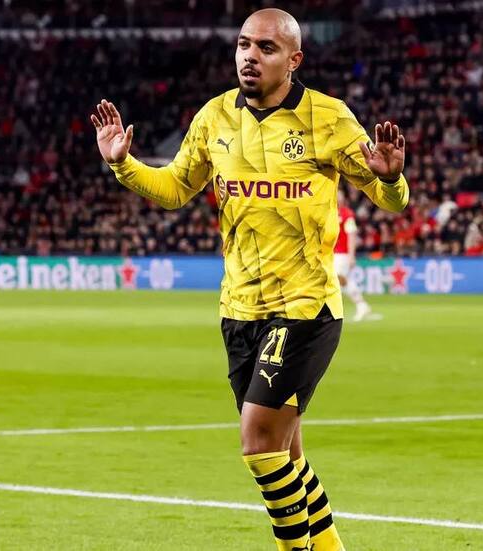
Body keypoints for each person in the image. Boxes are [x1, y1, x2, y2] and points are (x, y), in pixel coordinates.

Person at [90, 8, 408, 550]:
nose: (249, 56)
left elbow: (391, 202)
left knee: (258, 444)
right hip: (239, 310)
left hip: (304, 307)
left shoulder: (328, 119)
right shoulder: (214, 117)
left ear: (294, 59)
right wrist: (124, 164)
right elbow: (173, 189)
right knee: (286, 453)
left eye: (265, 47)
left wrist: (393, 178)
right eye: (243, 44)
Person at [334, 190, 375, 321]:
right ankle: (362, 305)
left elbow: (352, 234)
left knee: (338, 278)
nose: (336, 199)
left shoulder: (347, 215)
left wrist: (352, 255)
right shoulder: (330, 212)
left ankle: (360, 305)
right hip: (332, 253)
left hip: (343, 254)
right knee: (342, 281)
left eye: (338, 196)